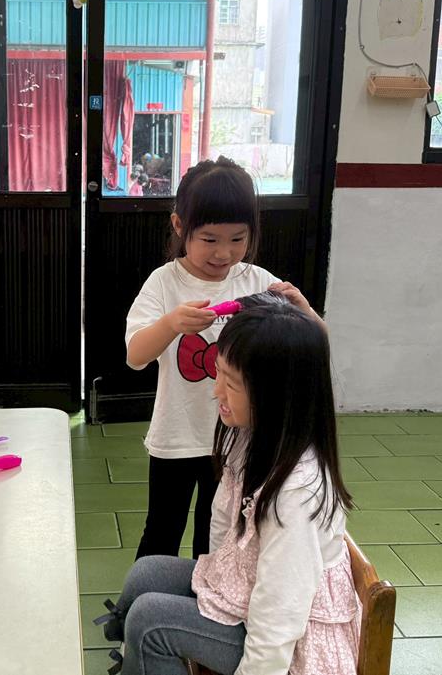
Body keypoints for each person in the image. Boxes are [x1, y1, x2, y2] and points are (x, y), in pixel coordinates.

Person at [99, 292, 358, 675]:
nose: (216, 390)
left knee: (151, 622)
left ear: (277, 395)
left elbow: (281, 613)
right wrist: (214, 585)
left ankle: (144, 650)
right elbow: (223, 519)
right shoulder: (248, 433)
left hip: (289, 644)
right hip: (249, 591)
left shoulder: (296, 492)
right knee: (146, 574)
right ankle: (138, 658)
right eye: (218, 372)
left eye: (231, 383)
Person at [124, 157, 323, 561]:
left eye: (237, 238)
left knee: (218, 534)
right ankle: (142, 595)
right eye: (210, 239)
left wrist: (306, 312)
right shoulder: (165, 282)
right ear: (180, 226)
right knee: (162, 528)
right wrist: (171, 324)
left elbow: (314, 348)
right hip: (176, 437)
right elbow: (135, 356)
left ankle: (209, 595)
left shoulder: (257, 281)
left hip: (239, 439)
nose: (224, 252)